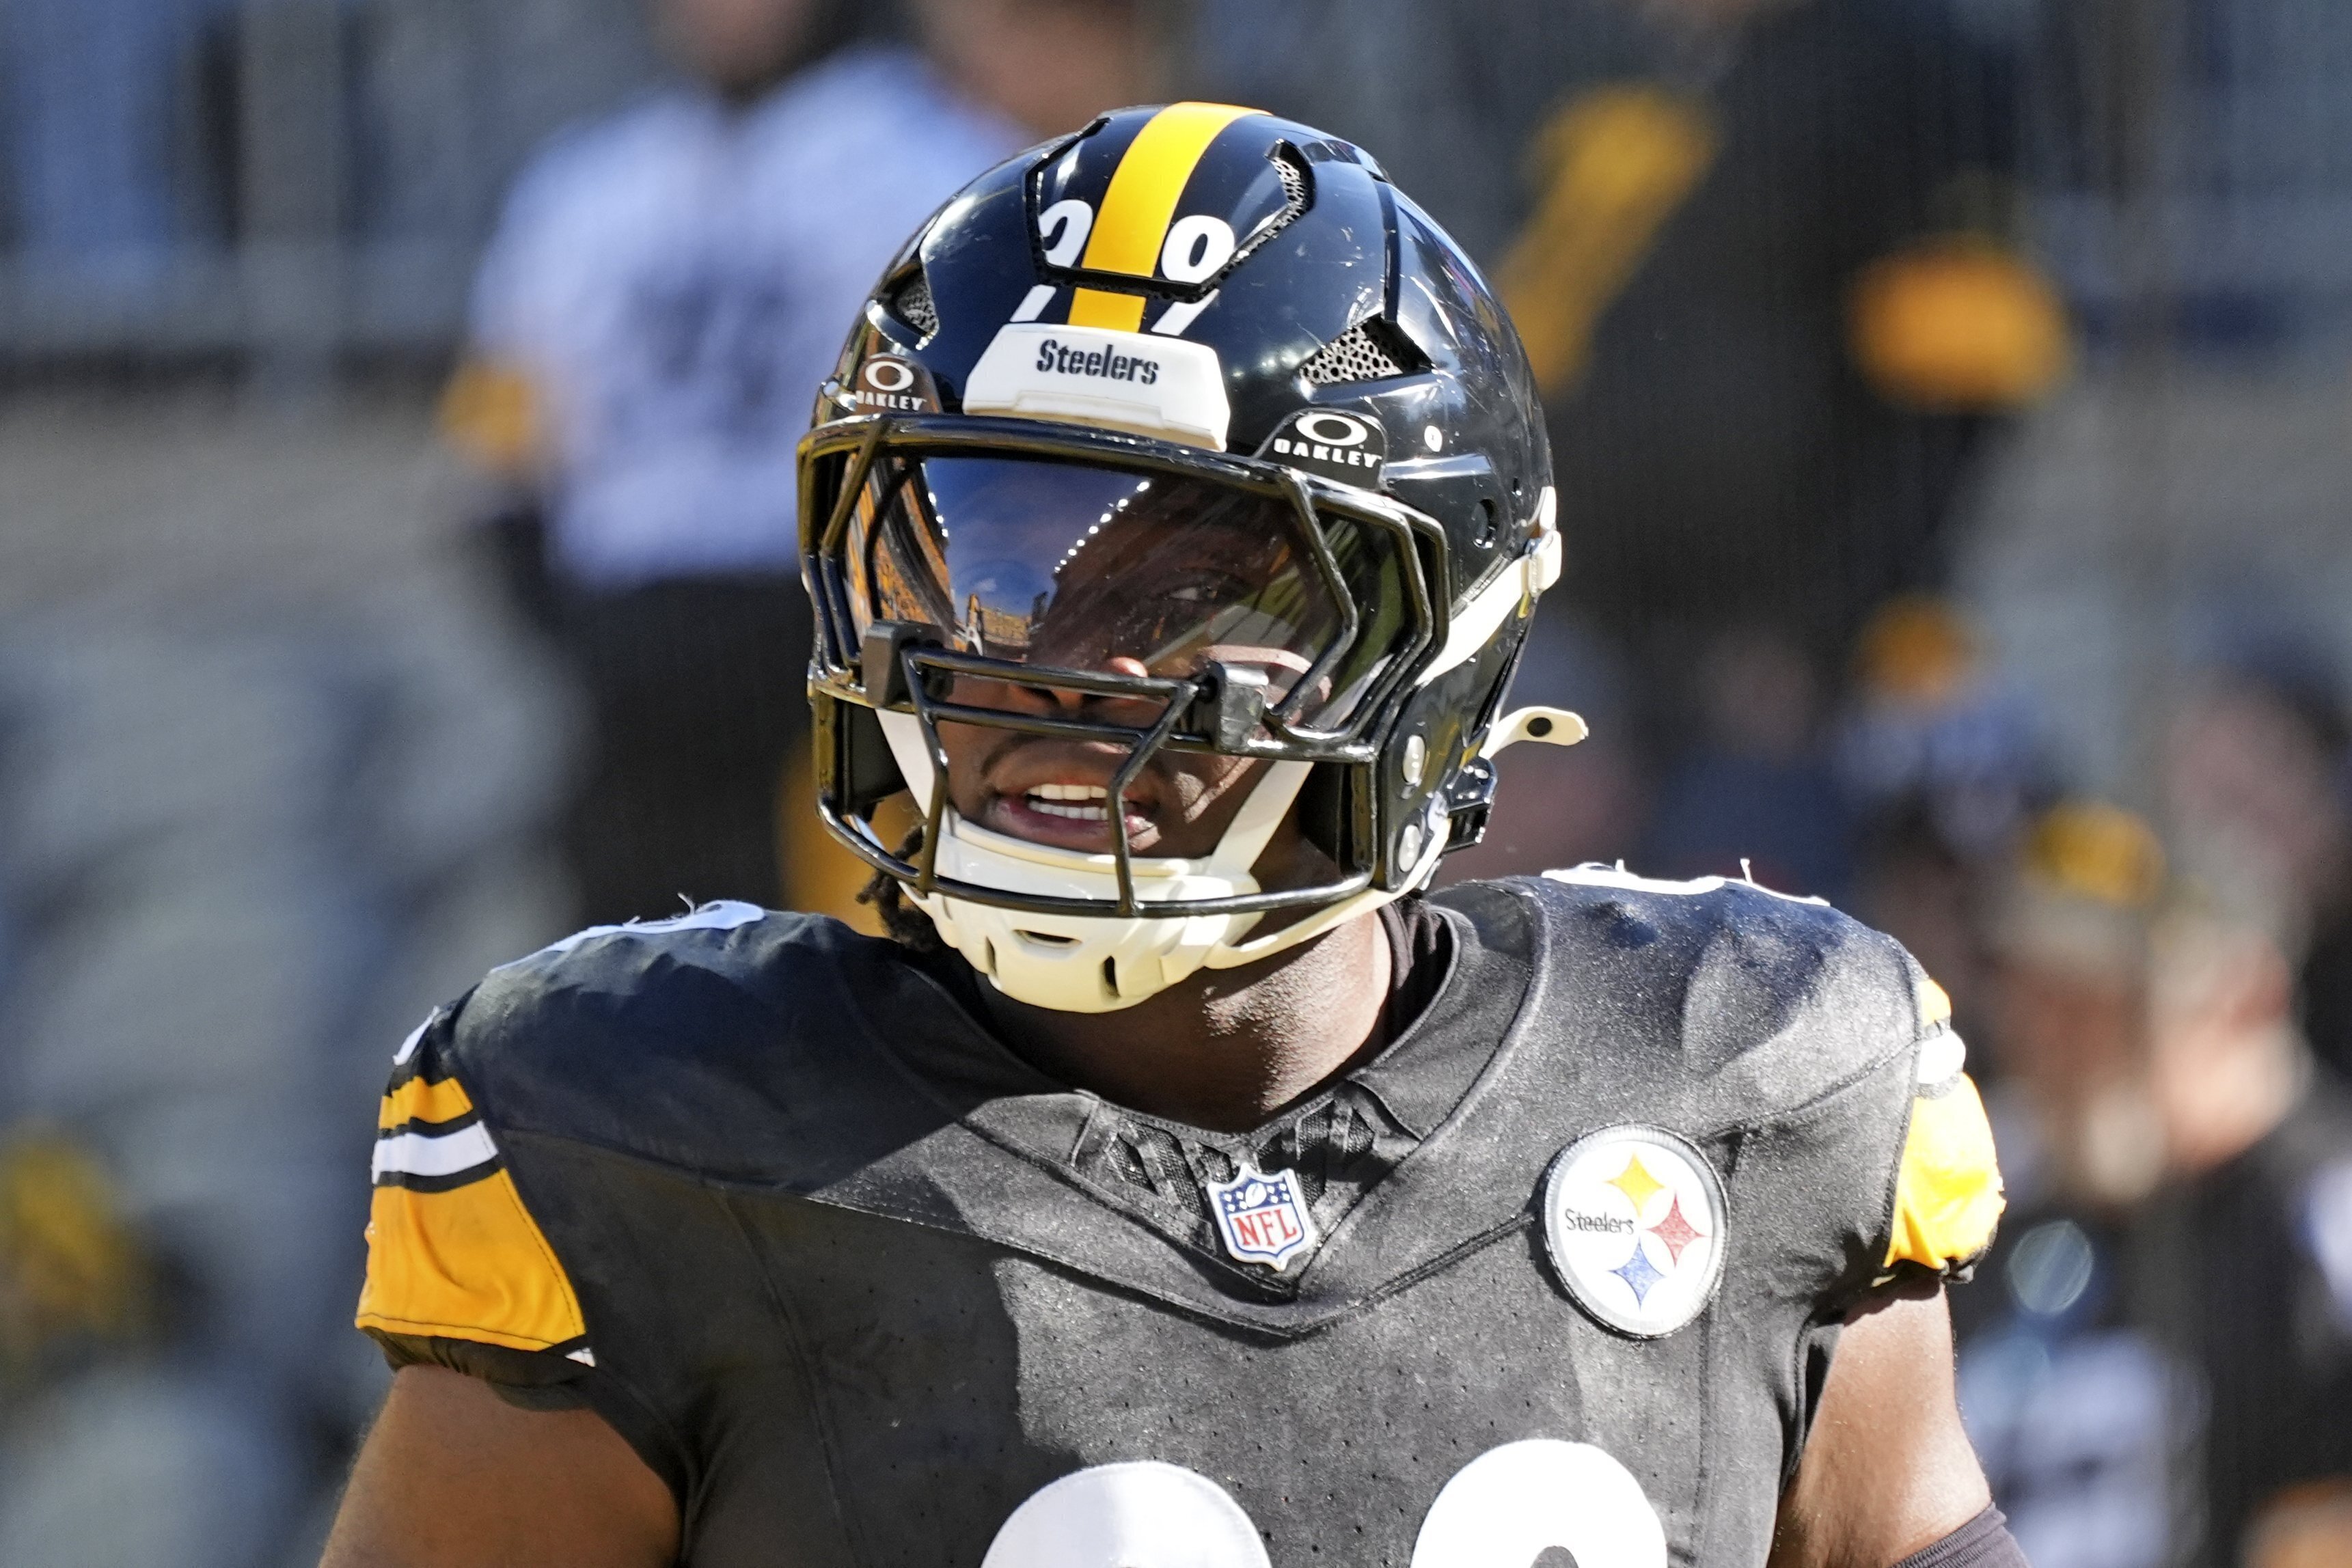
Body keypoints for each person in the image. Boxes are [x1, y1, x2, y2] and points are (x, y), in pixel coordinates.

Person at [323, 106, 2019, 1567]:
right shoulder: (644, 1136)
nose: (1046, 674)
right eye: (973, 557)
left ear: (1436, 636)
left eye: (1195, 594)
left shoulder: (1752, 1079)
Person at [443, 0, 1129, 927]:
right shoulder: (588, 181)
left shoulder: (943, 163)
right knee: (619, 994)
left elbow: (1006, 446)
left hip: (836, 636)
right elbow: (502, 467)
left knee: (841, 973)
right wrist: (577, 639)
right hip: (628, 653)